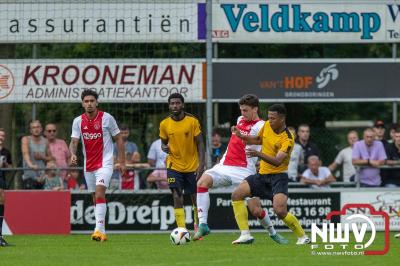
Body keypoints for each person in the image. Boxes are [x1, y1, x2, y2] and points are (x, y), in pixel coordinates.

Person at [194, 94, 287, 244]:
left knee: (256, 210)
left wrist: (261, 160)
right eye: (241, 110)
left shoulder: (263, 126)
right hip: (225, 166)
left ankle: (273, 233)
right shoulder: (239, 120)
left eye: (245, 110)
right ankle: (203, 224)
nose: (242, 113)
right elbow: (235, 143)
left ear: (255, 109)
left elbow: (264, 142)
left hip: (244, 170)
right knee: (202, 182)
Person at [230, 104, 310, 245]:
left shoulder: (287, 138)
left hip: (278, 177)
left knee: (279, 211)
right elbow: (258, 140)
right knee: (236, 195)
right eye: (269, 117)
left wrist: (258, 154)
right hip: (261, 175)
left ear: (282, 118)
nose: (270, 120)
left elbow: (278, 161)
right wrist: (241, 135)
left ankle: (303, 237)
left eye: (273, 118)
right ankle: (245, 235)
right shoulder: (266, 125)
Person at [70, 89, 126, 242]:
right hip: (88, 165)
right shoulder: (78, 121)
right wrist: (73, 154)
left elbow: (119, 139)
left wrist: (121, 161)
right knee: (95, 196)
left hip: (105, 163)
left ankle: (97, 230)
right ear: (82, 104)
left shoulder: (107, 118)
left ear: (97, 102)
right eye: (86, 101)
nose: (89, 104)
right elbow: (74, 142)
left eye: (92, 101)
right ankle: (103, 232)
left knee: (100, 192)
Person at [159, 93, 205, 232]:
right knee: (177, 195)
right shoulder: (164, 124)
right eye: (172, 103)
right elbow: (163, 143)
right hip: (174, 165)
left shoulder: (192, 122)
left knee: (195, 197)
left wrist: (201, 165)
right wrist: (163, 147)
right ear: (169, 105)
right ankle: (182, 229)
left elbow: (200, 144)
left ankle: (197, 226)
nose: (175, 106)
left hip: (192, 166)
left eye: (177, 103)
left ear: (182, 105)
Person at [21, 120, 54, 189]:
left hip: (42, 178)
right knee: (30, 199)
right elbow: (25, 154)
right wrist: (31, 165)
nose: (36, 129)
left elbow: (51, 158)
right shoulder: (26, 139)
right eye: (33, 127)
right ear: (30, 130)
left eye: (38, 127)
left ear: (41, 129)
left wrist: (43, 158)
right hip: (29, 177)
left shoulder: (46, 141)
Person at [112, 124, 141, 190]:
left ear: (128, 133)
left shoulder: (133, 145)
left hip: (131, 177)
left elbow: (137, 160)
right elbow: (113, 161)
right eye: (122, 133)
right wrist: (129, 160)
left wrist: (120, 161)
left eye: (126, 133)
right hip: (115, 177)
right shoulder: (113, 146)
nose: (124, 135)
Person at [0, 128, 12, 246]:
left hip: (1, 179)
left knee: (1, 202)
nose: (1, 138)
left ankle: (0, 236)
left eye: (3, 136)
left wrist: (6, 164)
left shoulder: (6, 152)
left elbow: (10, 167)